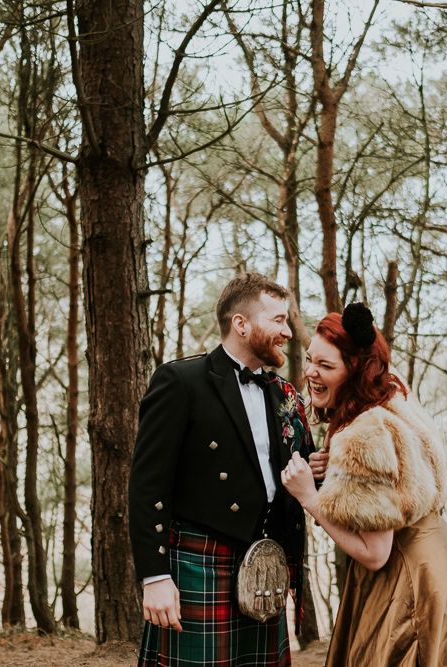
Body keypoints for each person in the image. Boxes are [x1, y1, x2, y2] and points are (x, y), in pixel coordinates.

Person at [129, 272, 319, 666]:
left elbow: (302, 468)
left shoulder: (281, 393)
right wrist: (155, 576)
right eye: (278, 320)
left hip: (263, 565)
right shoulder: (181, 381)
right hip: (199, 562)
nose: (287, 331)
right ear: (241, 324)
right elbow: (148, 485)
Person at [282, 303, 447, 667]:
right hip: (446, 562)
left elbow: (376, 554)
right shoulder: (392, 397)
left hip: (410, 576)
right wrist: (338, 474)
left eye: (326, 366)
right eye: (310, 358)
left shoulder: (364, 432)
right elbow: (401, 481)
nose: (310, 371)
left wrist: (310, 497)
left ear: (354, 370)